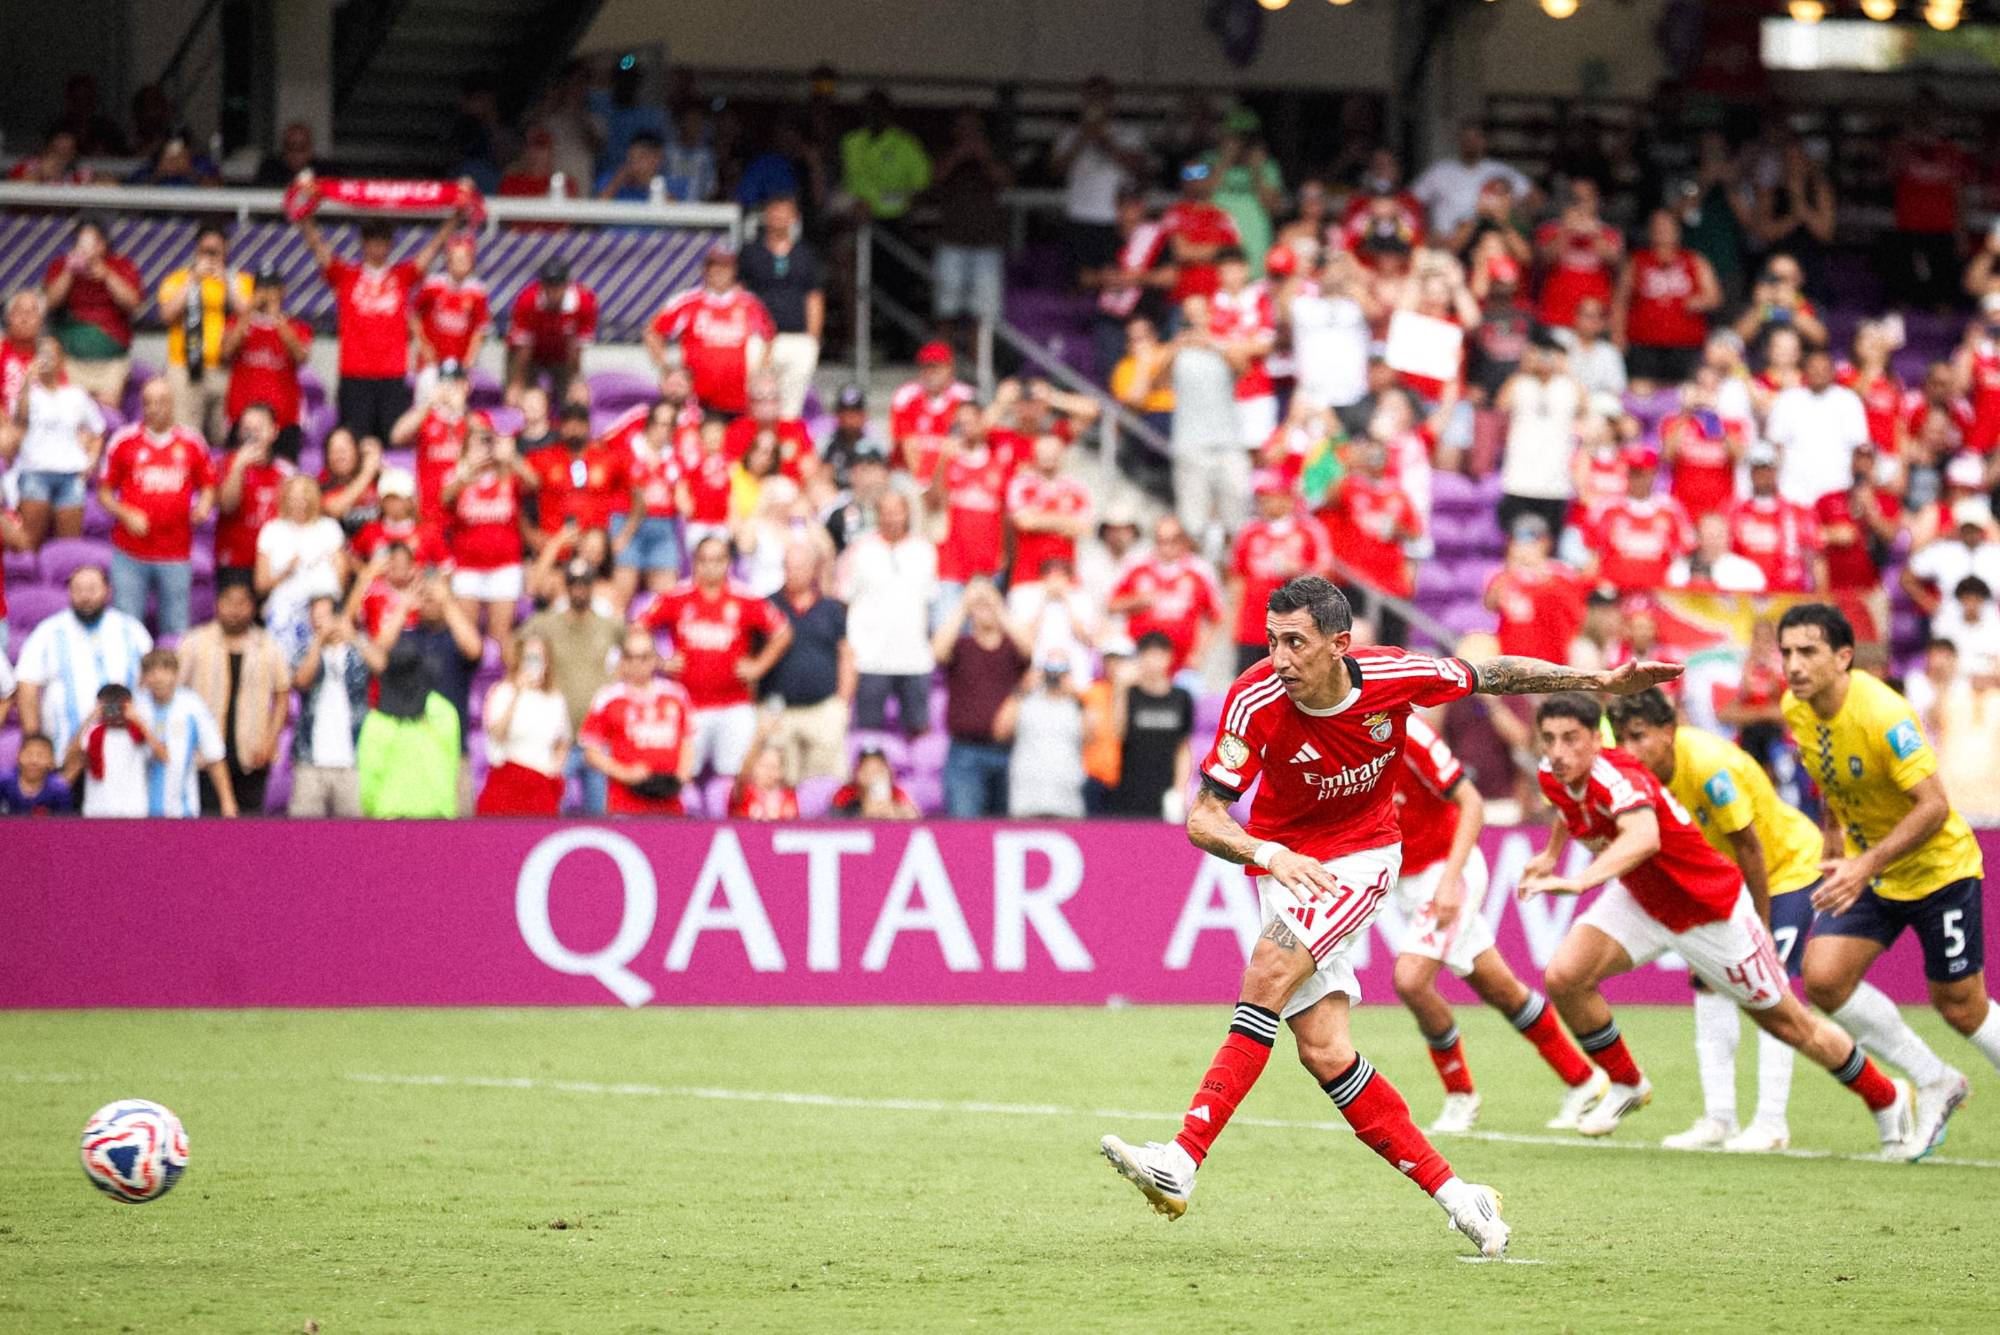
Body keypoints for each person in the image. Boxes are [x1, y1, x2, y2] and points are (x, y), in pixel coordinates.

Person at [1097, 576, 1676, 1253]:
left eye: (1296, 643)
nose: (1281, 658)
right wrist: (1266, 850)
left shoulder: (1394, 674)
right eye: (1273, 640)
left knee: (1269, 968)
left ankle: (1182, 1158)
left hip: (1362, 859)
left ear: (1340, 645)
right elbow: (1204, 817)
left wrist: (1599, 679)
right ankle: (1464, 1199)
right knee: (1324, 1050)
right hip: (1283, 864)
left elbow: (1494, 674)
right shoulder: (1254, 697)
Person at [1521, 691, 1921, 1157]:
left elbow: (1645, 836)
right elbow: (1571, 811)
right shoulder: (1553, 773)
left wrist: (1581, 879)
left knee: (1790, 1025)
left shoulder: (1623, 776)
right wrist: (1550, 855)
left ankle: (1887, 1096)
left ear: (1595, 738)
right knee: (1565, 976)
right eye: (1549, 739)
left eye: (1571, 738)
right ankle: (1628, 1083)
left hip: (1709, 910)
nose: (1558, 751)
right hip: (1643, 899)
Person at [1778, 602, 2000, 1156]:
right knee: (1824, 979)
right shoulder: (1797, 707)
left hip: (1937, 868)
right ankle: (1935, 1079)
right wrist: (1833, 838)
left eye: (1808, 651)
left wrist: (1862, 864)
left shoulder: (1884, 714)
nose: (1794, 665)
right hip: (1870, 869)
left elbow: (1933, 807)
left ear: (1844, 657)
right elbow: (1824, 770)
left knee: (1960, 1004)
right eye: (1786, 652)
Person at [1605, 687, 1837, 1151]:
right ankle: (1719, 1119)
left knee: (1771, 991)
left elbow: (1751, 849)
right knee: (1709, 985)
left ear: (1669, 732)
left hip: (1784, 870)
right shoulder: (1633, 774)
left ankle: (1771, 1123)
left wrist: (1762, 931)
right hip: (1722, 881)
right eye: (1621, 739)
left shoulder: (1711, 768)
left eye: (1639, 737)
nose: (1628, 751)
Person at [1388, 714, 1604, 1135]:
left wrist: (1451, 883)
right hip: (1404, 879)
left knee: (1411, 980)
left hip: (1449, 868)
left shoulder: (1408, 732)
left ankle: (1460, 1097)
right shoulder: (1333, 734)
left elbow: (1472, 803)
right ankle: (1583, 1079)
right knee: (1501, 989)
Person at [294, 209, 459, 455]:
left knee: (394, 442)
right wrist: (304, 217)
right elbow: (318, 247)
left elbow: (432, 249)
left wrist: (454, 218)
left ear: (391, 244)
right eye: (372, 240)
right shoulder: (346, 275)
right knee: (354, 445)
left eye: (383, 240)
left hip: (392, 376)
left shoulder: (402, 276)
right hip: (355, 376)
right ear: (363, 242)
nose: (378, 247)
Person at [641, 535, 794, 780]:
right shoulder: (677, 596)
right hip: (688, 704)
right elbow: (638, 627)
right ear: (694, 562)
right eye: (704, 560)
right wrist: (659, 661)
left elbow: (783, 631)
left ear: (728, 563)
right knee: (683, 776)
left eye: (717, 559)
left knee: (734, 778)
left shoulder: (745, 597)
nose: (710, 565)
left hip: (734, 704)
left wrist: (758, 666)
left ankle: (730, 820)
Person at [97, 378, 215, 636]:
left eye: (161, 401)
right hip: (130, 552)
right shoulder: (123, 440)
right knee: (127, 627)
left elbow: (208, 484)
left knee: (176, 627)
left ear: (172, 404)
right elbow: (103, 493)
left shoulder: (192, 442)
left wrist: (204, 505)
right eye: (148, 402)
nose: (154, 408)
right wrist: (125, 514)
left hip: (175, 551)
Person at [520, 559, 625, 815]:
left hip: (598, 738)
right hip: (559, 736)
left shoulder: (608, 624)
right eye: (574, 584)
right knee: (553, 810)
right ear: (566, 586)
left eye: (585, 584)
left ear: (593, 586)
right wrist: (530, 673)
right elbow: (514, 646)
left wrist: (619, 678)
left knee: (601, 814)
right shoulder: (546, 623)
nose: (579, 589)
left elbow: (636, 646)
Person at [14, 564, 151, 760]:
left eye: (92, 589)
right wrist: (34, 740)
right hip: (66, 753)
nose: (85, 596)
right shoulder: (48, 632)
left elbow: (150, 680)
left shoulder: (132, 630)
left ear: (107, 591)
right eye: (78, 590)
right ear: (69, 592)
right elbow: (27, 685)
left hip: (128, 753)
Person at [178, 581, 289, 815]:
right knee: (206, 829)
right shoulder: (195, 642)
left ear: (252, 607)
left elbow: (282, 695)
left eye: (242, 603)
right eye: (229, 602)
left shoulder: (268, 645)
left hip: (252, 752)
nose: (235, 610)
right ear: (218, 605)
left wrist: (270, 741)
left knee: (250, 830)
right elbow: (177, 693)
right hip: (203, 755)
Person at [376, 572, 484, 811]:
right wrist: (403, 606)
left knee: (461, 837)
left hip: (452, 753)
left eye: (435, 595)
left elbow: (475, 649)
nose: (430, 600)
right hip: (406, 754)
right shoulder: (407, 638)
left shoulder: (455, 640)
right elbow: (378, 656)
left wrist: (447, 602)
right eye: (425, 595)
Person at [841, 491, 938, 737]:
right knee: (869, 735)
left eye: (897, 512)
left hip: (914, 659)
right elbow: (844, 598)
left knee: (918, 735)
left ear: (907, 514)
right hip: (870, 658)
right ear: (876, 516)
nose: (891, 518)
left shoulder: (924, 550)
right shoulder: (860, 550)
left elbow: (931, 601)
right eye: (885, 512)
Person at [933, 578, 1033, 817]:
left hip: (1008, 752)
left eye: (990, 603)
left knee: (1007, 832)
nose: (985, 608)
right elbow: (937, 650)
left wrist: (997, 605)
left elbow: (1030, 649)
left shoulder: (1011, 648)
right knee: (965, 835)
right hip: (965, 752)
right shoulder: (961, 646)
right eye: (980, 605)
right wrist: (964, 605)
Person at [645, 243, 775, 421]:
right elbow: (653, 332)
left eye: (725, 266)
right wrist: (665, 367)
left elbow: (769, 337)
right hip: (695, 400)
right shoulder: (687, 302)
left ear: (734, 270)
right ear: (705, 270)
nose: (719, 272)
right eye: (714, 266)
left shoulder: (749, 304)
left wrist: (761, 370)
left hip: (737, 399)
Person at [442, 418, 536, 665]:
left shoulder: (508, 474)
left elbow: (535, 483)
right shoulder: (458, 474)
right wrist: (468, 471)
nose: (484, 448)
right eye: (477, 441)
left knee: (501, 639)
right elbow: (444, 498)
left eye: (487, 441)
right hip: (467, 566)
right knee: (466, 641)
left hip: (504, 566)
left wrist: (511, 456)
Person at [763, 541, 853, 783]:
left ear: (814, 570)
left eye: (801, 567)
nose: (795, 573)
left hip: (822, 709)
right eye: (790, 567)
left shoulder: (831, 609)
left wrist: (842, 704)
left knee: (825, 783)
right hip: (779, 709)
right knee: (780, 780)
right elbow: (754, 656)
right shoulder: (767, 605)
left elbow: (846, 655)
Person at [581, 628, 697, 816]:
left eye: (643, 657)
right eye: (630, 657)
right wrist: (624, 773)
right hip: (626, 804)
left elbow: (688, 741)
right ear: (622, 661)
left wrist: (680, 777)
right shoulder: (608, 698)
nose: (637, 664)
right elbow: (591, 752)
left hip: (669, 803)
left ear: (655, 659)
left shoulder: (676, 694)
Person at [7, 335, 106, 549]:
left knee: (69, 546)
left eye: (52, 355)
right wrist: (26, 383)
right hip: (35, 472)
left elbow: (98, 430)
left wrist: (92, 460)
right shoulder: (27, 395)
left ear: (62, 361)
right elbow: (20, 421)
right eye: (42, 354)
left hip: (70, 474)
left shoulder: (76, 395)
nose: (47, 359)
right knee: (30, 543)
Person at [157, 222, 249, 441]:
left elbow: (249, 315)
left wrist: (227, 282)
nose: (210, 256)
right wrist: (193, 279)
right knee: (186, 437)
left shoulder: (239, 281)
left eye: (215, 251)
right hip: (185, 368)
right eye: (205, 251)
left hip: (227, 370)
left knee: (226, 438)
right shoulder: (179, 279)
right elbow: (167, 315)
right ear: (196, 251)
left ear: (226, 251)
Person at [1613, 209, 1721, 390]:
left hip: (1685, 343)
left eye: (1667, 225)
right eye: (1657, 226)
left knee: (1683, 392)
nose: (1662, 230)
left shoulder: (1694, 260)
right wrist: (1617, 334)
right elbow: (1620, 301)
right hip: (1643, 341)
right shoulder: (1637, 261)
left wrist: (1698, 301)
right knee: (1642, 391)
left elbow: (1715, 297)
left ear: (1677, 230)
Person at [739, 195, 825, 419]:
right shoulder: (750, 252)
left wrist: (813, 339)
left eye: (785, 213)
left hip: (796, 338)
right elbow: (740, 295)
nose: (779, 217)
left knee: (790, 409)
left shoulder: (805, 254)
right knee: (755, 402)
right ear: (766, 216)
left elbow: (814, 296)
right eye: (774, 212)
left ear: (794, 218)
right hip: (758, 339)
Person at [1107, 516, 1225, 678]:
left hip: (1183, 664)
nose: (1166, 547)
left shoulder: (1199, 570)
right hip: (1139, 659)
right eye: (1161, 540)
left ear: (1184, 541)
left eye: (1172, 540)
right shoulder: (1136, 566)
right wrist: (1137, 600)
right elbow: (1111, 605)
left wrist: (1199, 652)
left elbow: (1217, 617)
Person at [1054, 76, 1149, 278]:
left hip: (1115, 218)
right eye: (1091, 96)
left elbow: (1137, 168)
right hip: (1078, 215)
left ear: (1111, 100)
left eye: (1102, 96)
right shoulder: (1070, 133)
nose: (1096, 101)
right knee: (1079, 278)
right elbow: (1055, 171)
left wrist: (1103, 140)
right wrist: (1082, 138)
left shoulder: (1128, 132)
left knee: (1113, 277)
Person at [41, 217, 142, 406]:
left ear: (103, 245)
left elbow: (134, 304)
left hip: (111, 362)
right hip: (70, 360)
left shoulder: (120, 265)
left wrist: (107, 275)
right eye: (81, 243)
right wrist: (70, 271)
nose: (86, 250)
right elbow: (50, 303)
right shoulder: (62, 265)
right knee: (71, 410)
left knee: (108, 414)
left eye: (92, 244)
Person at [289, 595, 372, 818]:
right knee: (303, 837)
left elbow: (381, 665)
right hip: (310, 761)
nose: (321, 623)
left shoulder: (357, 653)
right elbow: (302, 681)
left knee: (357, 838)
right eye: (316, 617)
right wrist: (318, 641)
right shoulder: (304, 651)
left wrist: (352, 636)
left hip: (353, 761)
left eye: (326, 616)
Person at [356, 644, 461, 819]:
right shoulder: (445, 712)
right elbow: (452, 764)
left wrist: (371, 811)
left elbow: (369, 780)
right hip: (438, 817)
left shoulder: (377, 721)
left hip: (390, 818)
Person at [221, 268, 313, 460]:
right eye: (262, 288)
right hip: (243, 418)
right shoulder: (237, 323)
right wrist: (248, 311)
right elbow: (225, 353)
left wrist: (276, 317)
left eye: (272, 288)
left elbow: (301, 357)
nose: (267, 293)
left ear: (282, 291)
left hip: (284, 421)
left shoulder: (296, 326)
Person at [131, 647, 234, 818]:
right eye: (151, 671)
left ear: (176, 673)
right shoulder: (135, 707)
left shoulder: (192, 706)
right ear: (143, 677)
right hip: (137, 812)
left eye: (165, 670)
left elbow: (214, 755)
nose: (158, 678)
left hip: (182, 811)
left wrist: (227, 802)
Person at [477, 633, 572, 817]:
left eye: (538, 658)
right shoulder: (502, 692)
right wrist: (517, 694)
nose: (533, 664)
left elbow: (564, 740)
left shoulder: (555, 699)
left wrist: (555, 768)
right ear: (519, 660)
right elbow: (496, 733)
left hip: (541, 785)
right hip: (506, 783)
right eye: (528, 658)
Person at [255, 475, 348, 661]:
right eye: (294, 497)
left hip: (322, 614)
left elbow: (342, 579)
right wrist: (286, 571)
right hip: (284, 613)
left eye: (305, 497)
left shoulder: (329, 528)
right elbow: (261, 584)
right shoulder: (272, 530)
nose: (300, 503)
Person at [1104, 631, 1194, 819]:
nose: (1154, 662)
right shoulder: (1131, 695)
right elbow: (1117, 733)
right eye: (1148, 655)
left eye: (1159, 654)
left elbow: (1183, 747)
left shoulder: (1181, 697)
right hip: (1129, 792)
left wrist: (1180, 790)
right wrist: (1120, 689)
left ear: (1169, 658)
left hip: (1165, 793)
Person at [1586, 446, 1692, 594]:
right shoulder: (1607, 508)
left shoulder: (1671, 510)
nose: (1635, 478)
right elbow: (1593, 556)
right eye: (1632, 472)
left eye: (1640, 473)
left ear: (1653, 474)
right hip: (1614, 592)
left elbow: (1683, 556)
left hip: (1657, 594)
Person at [1409, 121, 1534, 238]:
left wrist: (1513, 210)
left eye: (1476, 138)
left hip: (1490, 240)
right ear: (1459, 141)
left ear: (1485, 141)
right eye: (1466, 139)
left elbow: (1535, 198)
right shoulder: (1440, 171)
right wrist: (1422, 233)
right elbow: (1411, 201)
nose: (1471, 143)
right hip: (1447, 243)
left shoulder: (1500, 170)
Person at [1726, 446, 1823, 594]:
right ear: (1751, 472)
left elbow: (1816, 558)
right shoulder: (1733, 512)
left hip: (1788, 596)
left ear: (1776, 471)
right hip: (1744, 598)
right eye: (1757, 469)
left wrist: (1820, 597)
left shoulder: (1798, 512)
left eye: (1767, 468)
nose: (1762, 474)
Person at [411, 234, 491, 406]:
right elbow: (413, 315)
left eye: (465, 259)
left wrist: (469, 361)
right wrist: (423, 346)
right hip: (430, 363)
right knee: (426, 406)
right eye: (457, 258)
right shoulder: (432, 285)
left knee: (455, 409)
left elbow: (480, 329)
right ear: (448, 259)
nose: (461, 263)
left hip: (460, 364)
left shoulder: (477, 292)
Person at [505, 258, 597, 405]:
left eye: (558, 286)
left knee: (573, 401)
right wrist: (517, 384)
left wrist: (576, 381)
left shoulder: (584, 303)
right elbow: (523, 349)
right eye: (548, 286)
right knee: (521, 400)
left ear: (567, 285)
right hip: (528, 355)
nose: (553, 291)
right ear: (541, 285)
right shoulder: (527, 300)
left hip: (562, 355)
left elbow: (576, 349)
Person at [65, 684, 158, 818]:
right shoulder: (91, 732)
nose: (114, 711)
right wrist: (90, 718)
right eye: (109, 706)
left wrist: (138, 720)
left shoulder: (139, 733)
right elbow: (70, 756)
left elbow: (162, 755)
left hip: (134, 811)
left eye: (119, 706)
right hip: (97, 810)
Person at [831, 745, 920, 819]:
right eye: (867, 768)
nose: (873, 774)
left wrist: (895, 812)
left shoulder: (897, 793)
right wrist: (865, 813)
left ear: (888, 772)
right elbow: (833, 823)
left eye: (878, 769)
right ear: (857, 773)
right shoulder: (845, 794)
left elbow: (915, 819)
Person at [1, 734, 71, 816]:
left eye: (41, 756)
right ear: (18, 756)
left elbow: (64, 823)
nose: (34, 761)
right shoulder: (3, 780)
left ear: (52, 762)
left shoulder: (59, 789)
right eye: (29, 754)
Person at [729, 741, 799, 820]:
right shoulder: (741, 793)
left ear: (781, 772)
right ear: (753, 767)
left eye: (774, 767)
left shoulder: (789, 795)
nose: (768, 771)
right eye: (764, 766)